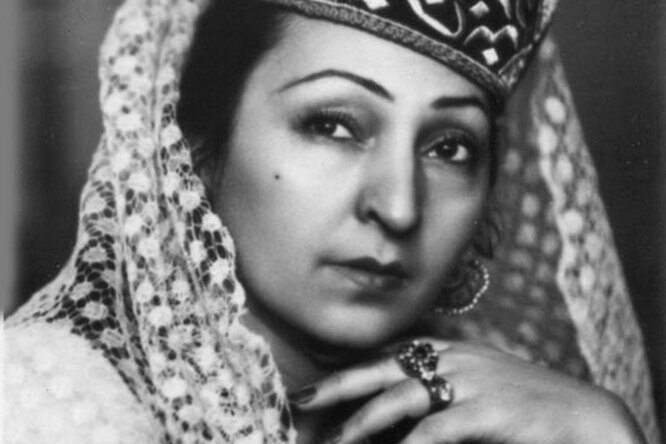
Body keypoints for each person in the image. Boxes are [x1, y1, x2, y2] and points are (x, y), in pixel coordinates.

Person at [4, 0, 660, 443]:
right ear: (192, 147)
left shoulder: (502, 418)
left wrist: (606, 433)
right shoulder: (44, 403)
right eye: (333, 125)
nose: (399, 207)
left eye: (449, 147)